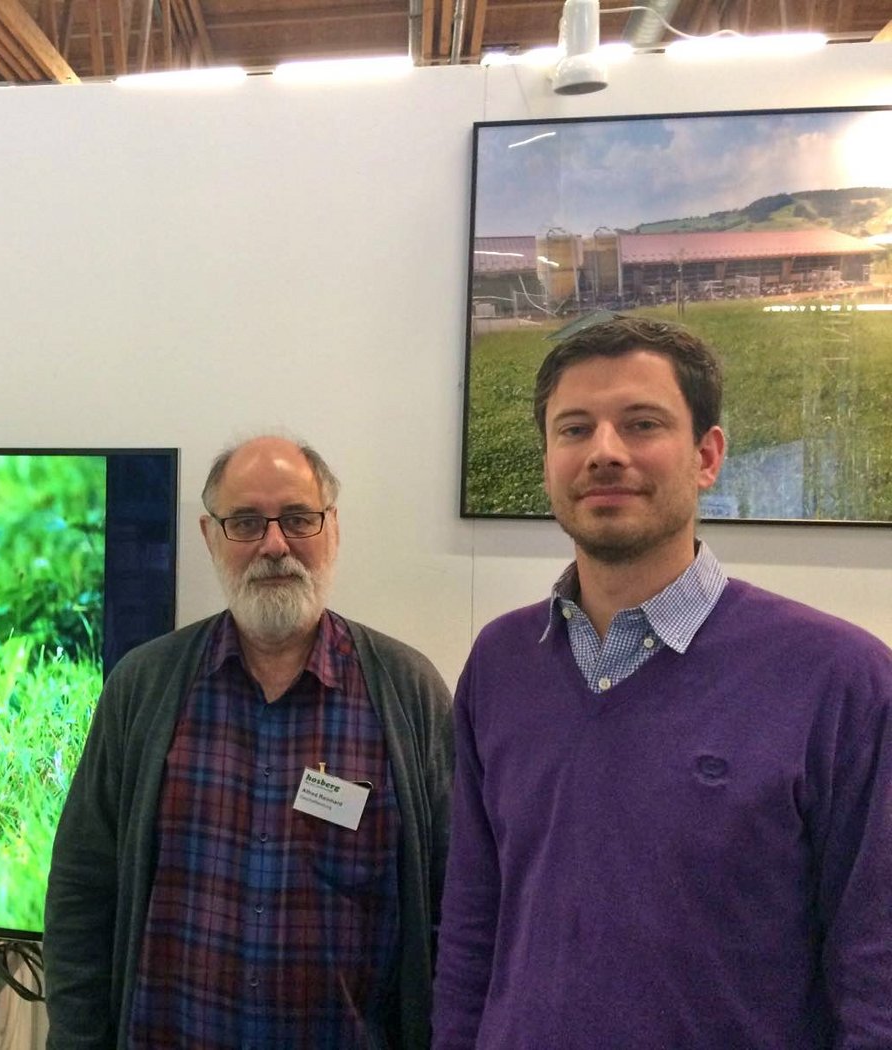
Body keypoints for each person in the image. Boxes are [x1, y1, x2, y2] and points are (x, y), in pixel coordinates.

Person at [432, 316, 892, 1048]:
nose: (604, 453)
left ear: (708, 456)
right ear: (548, 458)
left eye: (641, 423)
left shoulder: (842, 679)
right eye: (574, 429)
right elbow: (470, 926)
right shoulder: (500, 663)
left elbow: (876, 974)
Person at [45, 434, 453, 1049]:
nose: (274, 545)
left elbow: (455, 911)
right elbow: (83, 888)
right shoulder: (144, 686)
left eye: (297, 519)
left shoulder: (408, 693)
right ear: (211, 537)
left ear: (332, 529)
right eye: (245, 522)